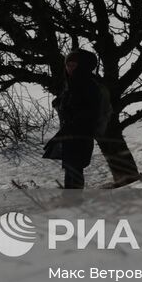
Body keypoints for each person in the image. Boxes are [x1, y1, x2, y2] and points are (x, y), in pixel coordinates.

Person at [43, 48, 109, 190]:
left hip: (80, 134)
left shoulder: (88, 84)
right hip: (70, 134)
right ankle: (70, 201)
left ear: (82, 66)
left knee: (75, 168)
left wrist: (72, 117)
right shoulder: (71, 84)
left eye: (73, 65)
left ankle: (74, 202)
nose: (70, 68)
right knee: (70, 168)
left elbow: (90, 110)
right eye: (68, 65)